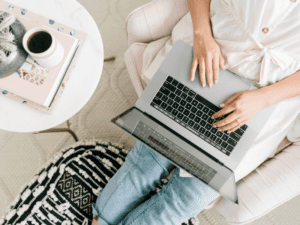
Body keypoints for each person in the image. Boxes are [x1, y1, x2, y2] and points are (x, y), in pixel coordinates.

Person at [92, 0, 300, 224]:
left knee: (188, 199)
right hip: (205, 63)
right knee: (146, 163)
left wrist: (263, 99)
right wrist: (202, 35)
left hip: (261, 103)